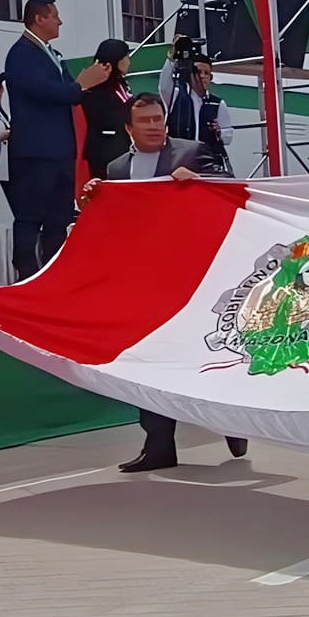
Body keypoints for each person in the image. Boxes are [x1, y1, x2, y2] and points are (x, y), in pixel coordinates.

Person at [101, 93, 246, 472]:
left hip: (193, 276)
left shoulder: (192, 152)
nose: (154, 126)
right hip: (143, 280)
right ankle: (159, 444)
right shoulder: (117, 168)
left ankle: (232, 420)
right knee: (146, 360)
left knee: (203, 354)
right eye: (145, 120)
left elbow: (231, 190)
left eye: (158, 119)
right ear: (128, 128)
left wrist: (200, 181)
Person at [3, 0, 109, 279]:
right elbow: (42, 91)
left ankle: (52, 274)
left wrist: (81, 86)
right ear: (39, 18)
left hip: (59, 149)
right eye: (54, 16)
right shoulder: (22, 53)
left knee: (58, 218)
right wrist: (80, 86)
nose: (60, 21)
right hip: (35, 150)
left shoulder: (51, 53)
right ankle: (25, 272)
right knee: (29, 216)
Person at [161, 36, 229, 175]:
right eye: (198, 71)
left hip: (206, 161)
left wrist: (219, 131)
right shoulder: (176, 96)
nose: (202, 76)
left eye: (206, 73)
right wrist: (172, 58)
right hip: (178, 160)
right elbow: (163, 86)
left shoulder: (217, 103)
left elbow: (228, 136)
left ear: (211, 78)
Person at [79, 38, 135, 179]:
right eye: (125, 57)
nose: (129, 61)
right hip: (105, 150)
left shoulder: (120, 84)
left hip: (121, 146)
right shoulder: (96, 86)